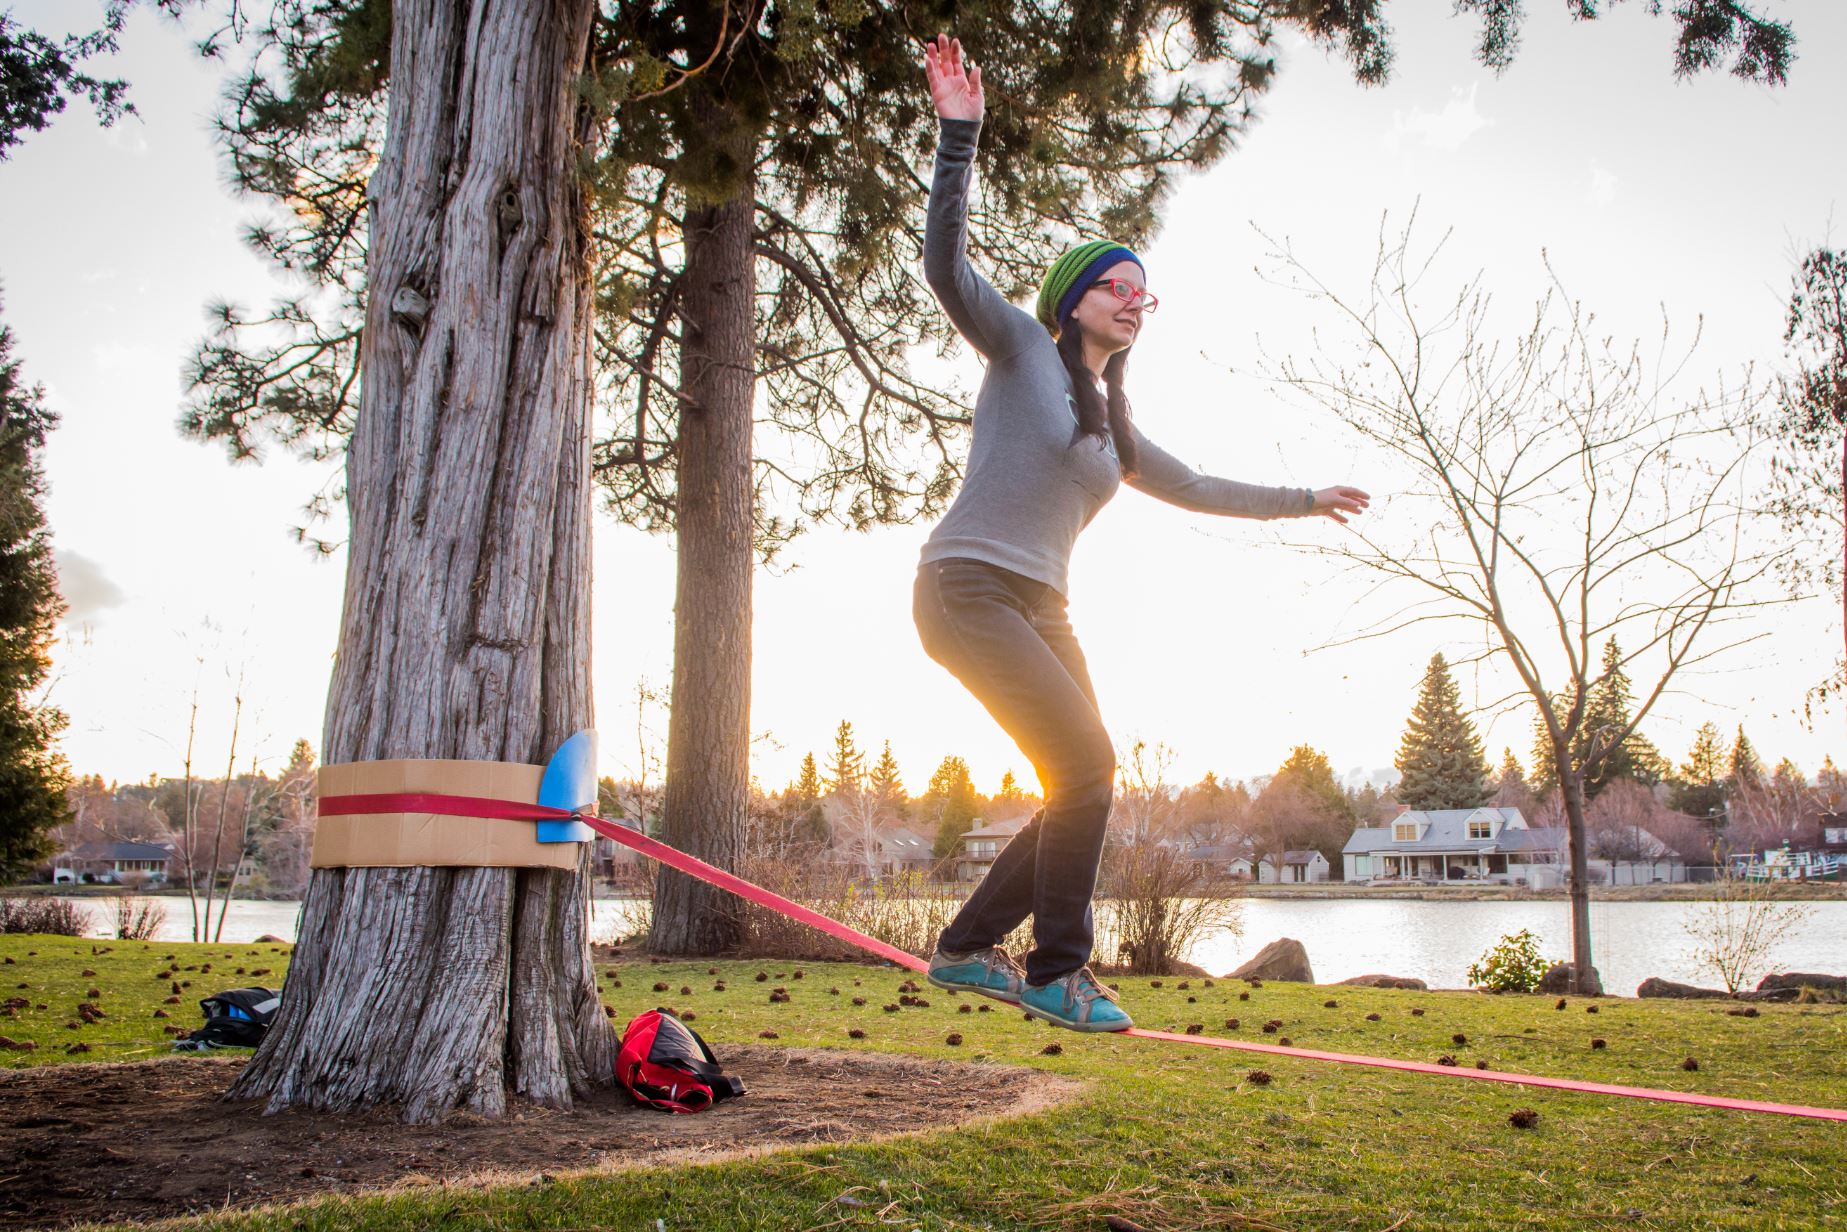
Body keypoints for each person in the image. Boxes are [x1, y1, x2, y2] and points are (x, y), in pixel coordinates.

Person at [915, 34, 1370, 1033]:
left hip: (1041, 602)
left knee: (1086, 774)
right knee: (1080, 765)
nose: (1136, 301)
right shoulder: (1019, 349)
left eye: (1145, 293)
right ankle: (1055, 969)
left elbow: (1199, 482)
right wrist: (959, 136)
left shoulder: (1111, 425)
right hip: (966, 585)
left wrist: (1304, 496)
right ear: (1076, 293)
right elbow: (944, 266)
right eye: (1120, 284)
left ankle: (960, 946)